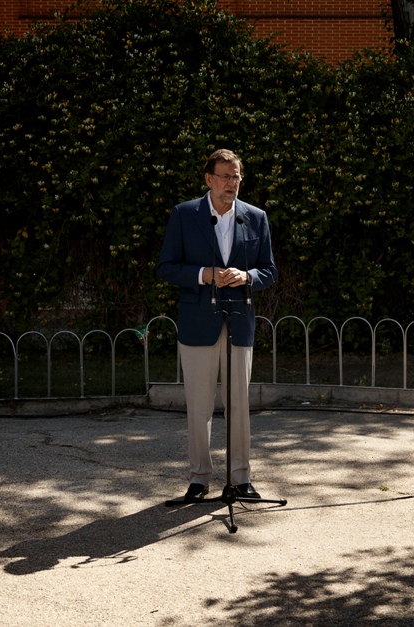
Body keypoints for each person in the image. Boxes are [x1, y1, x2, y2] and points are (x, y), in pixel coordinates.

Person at [157, 149, 277, 502]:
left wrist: (247, 276)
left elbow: (269, 270)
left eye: (236, 176)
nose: (232, 183)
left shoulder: (255, 217)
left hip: (239, 321)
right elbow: (166, 267)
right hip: (198, 321)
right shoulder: (184, 215)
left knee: (239, 403)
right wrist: (203, 274)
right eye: (225, 176)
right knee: (199, 405)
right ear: (208, 179)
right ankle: (199, 479)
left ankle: (240, 478)